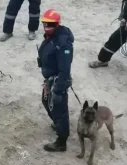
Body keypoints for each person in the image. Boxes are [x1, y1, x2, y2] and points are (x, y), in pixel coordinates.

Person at [37, 9, 74, 152]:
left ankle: (61, 142)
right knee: (46, 101)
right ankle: (58, 124)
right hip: (50, 79)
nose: (47, 26)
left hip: (58, 81)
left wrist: (58, 89)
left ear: (57, 24)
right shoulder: (50, 37)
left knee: (59, 108)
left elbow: (65, 69)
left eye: (51, 24)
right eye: (45, 23)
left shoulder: (63, 44)